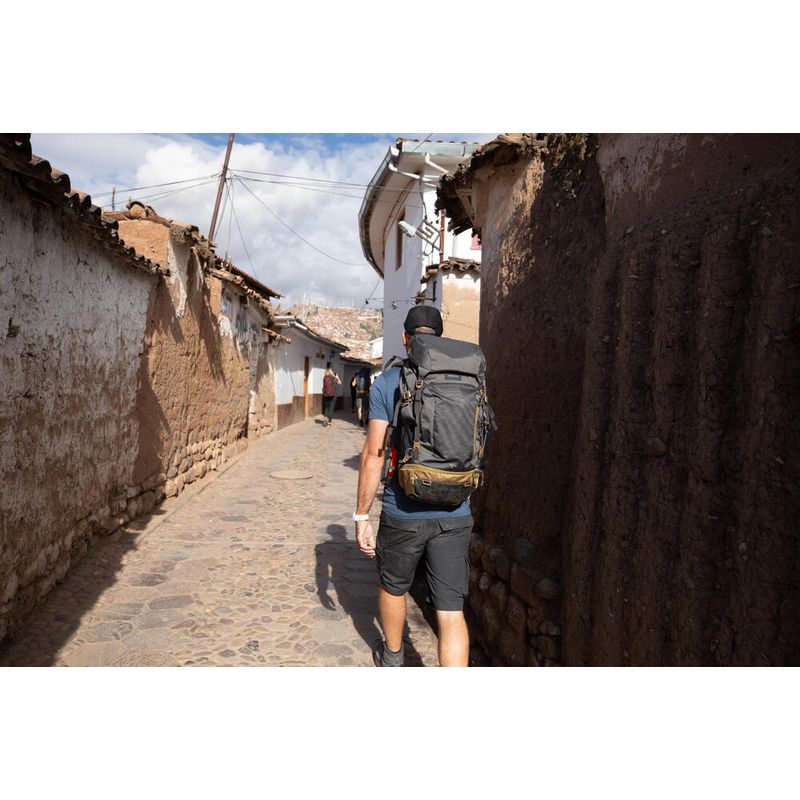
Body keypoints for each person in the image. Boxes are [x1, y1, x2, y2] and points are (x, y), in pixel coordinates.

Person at [353, 306, 474, 667]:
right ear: (440, 337)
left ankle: (393, 658)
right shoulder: (467, 380)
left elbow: (374, 454)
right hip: (455, 509)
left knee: (394, 587)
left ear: (405, 337)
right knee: (451, 610)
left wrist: (361, 515)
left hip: (402, 510)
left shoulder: (388, 382)